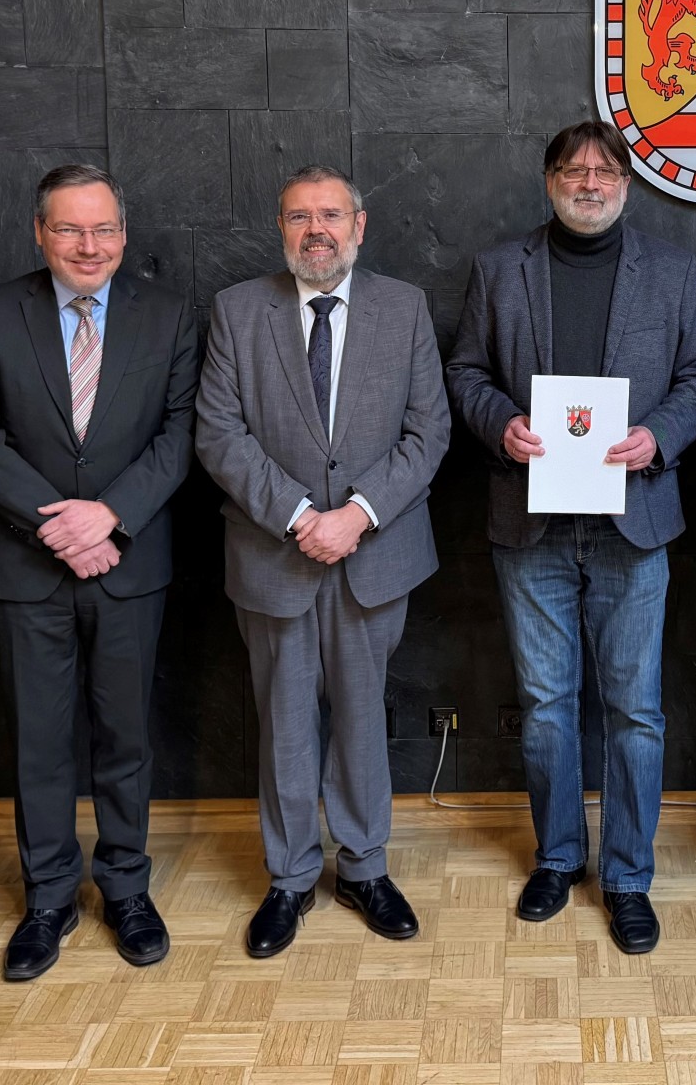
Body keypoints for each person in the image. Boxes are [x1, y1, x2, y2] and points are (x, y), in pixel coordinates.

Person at [445, 122, 696, 955]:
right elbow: (465, 374)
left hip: (631, 525)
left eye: (605, 171)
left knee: (635, 712)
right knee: (545, 709)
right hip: (529, 526)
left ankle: (628, 877)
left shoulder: (670, 271)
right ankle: (559, 858)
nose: (589, 183)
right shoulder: (501, 270)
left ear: (628, 186)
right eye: (573, 170)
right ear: (549, 181)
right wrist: (503, 427)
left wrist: (659, 436)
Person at [0, 165, 199, 982]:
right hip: (27, 567)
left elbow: (182, 430)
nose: (88, 246)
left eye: (103, 230)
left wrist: (111, 517)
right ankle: (49, 896)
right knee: (39, 744)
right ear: (39, 233)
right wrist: (62, 525)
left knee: (126, 739)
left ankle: (125, 887)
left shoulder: (170, 316)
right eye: (69, 229)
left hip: (130, 564)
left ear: (124, 236)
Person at [195, 164, 451, 958]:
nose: (318, 230)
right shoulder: (238, 312)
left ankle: (366, 868)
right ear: (282, 228)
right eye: (301, 216)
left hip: (374, 556)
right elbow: (219, 433)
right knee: (285, 721)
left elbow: (428, 432)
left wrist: (359, 515)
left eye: (332, 215)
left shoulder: (404, 308)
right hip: (277, 555)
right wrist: (303, 517)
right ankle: (292, 877)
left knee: (364, 714)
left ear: (360, 225)